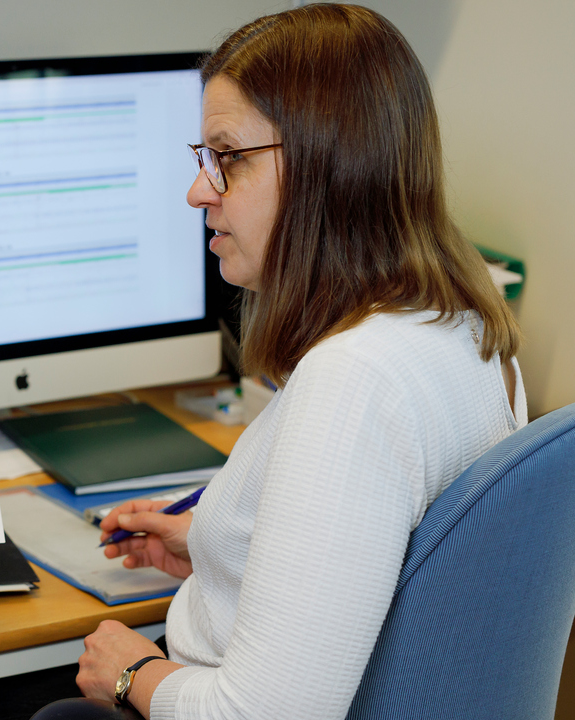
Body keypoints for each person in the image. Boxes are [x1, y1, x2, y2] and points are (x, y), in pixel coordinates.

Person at [70, 5, 525, 719]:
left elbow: (266, 714)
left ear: (328, 164)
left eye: (229, 157)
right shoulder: (465, 329)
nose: (199, 191)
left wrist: (133, 674)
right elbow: (390, 558)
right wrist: (224, 544)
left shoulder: (354, 380)